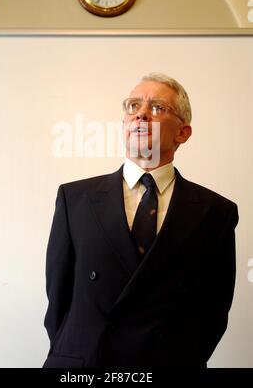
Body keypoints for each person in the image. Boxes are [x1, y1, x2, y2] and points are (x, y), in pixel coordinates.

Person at [43, 73, 238, 368]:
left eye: (158, 108)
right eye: (133, 106)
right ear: (124, 124)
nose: (141, 114)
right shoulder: (75, 199)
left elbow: (214, 310)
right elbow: (58, 297)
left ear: (182, 133)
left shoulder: (216, 212)